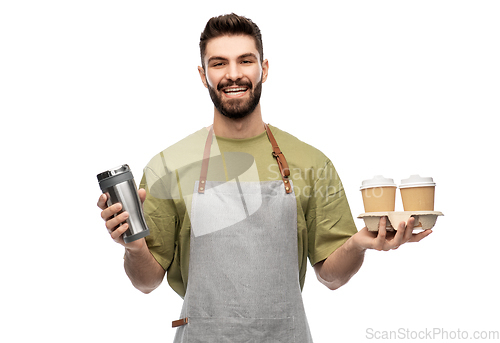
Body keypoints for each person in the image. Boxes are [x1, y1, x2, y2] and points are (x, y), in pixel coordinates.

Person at [97, 13, 432, 342]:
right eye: (218, 63)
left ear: (264, 68)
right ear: (203, 75)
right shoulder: (167, 166)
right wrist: (134, 246)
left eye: (245, 61)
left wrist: (359, 244)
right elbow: (146, 282)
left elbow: (332, 277)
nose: (233, 74)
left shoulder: (311, 162)